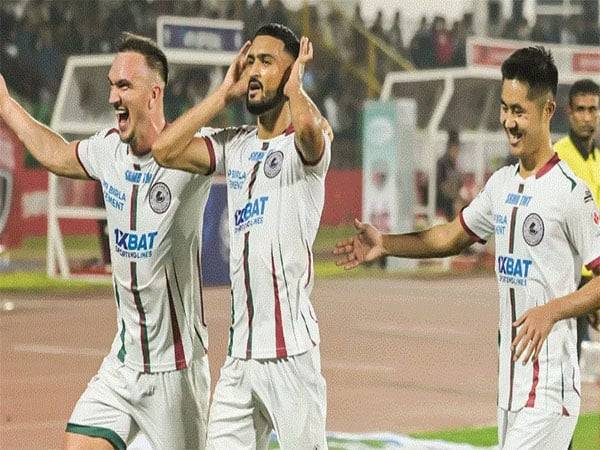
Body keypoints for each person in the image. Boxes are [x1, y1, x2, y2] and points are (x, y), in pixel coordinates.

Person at [334, 46, 600, 449]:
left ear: (547, 112)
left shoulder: (572, 194)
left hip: (549, 387)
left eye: (520, 112)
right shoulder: (501, 183)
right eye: (505, 108)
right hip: (510, 384)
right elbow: (450, 237)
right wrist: (384, 244)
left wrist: (552, 311)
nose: (508, 121)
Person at [0, 33, 212, 449]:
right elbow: (58, 154)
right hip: (123, 364)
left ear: (155, 94)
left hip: (177, 371)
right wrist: (6, 104)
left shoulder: (192, 156)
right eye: (112, 85)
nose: (113, 96)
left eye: (124, 86)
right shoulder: (108, 150)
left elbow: (247, 149)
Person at [152, 23, 331, 449]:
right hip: (239, 359)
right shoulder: (236, 146)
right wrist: (222, 96)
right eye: (249, 61)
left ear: (290, 73)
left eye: (266, 62)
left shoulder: (306, 143)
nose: (253, 70)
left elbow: (309, 135)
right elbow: (164, 150)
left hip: (291, 354)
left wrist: (296, 91)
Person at [554, 79, 600, 359]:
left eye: (592, 109)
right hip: (566, 275)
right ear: (569, 113)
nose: (586, 117)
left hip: (594, 275)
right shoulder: (557, 156)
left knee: (585, 361)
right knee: (567, 355)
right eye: (580, 110)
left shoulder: (598, 160)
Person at [435, 129, 462, 220]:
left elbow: (458, 183)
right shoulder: (441, 163)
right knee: (458, 205)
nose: (457, 152)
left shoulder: (454, 164)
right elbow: (441, 185)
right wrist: (455, 196)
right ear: (450, 148)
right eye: (455, 149)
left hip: (452, 196)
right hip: (441, 198)